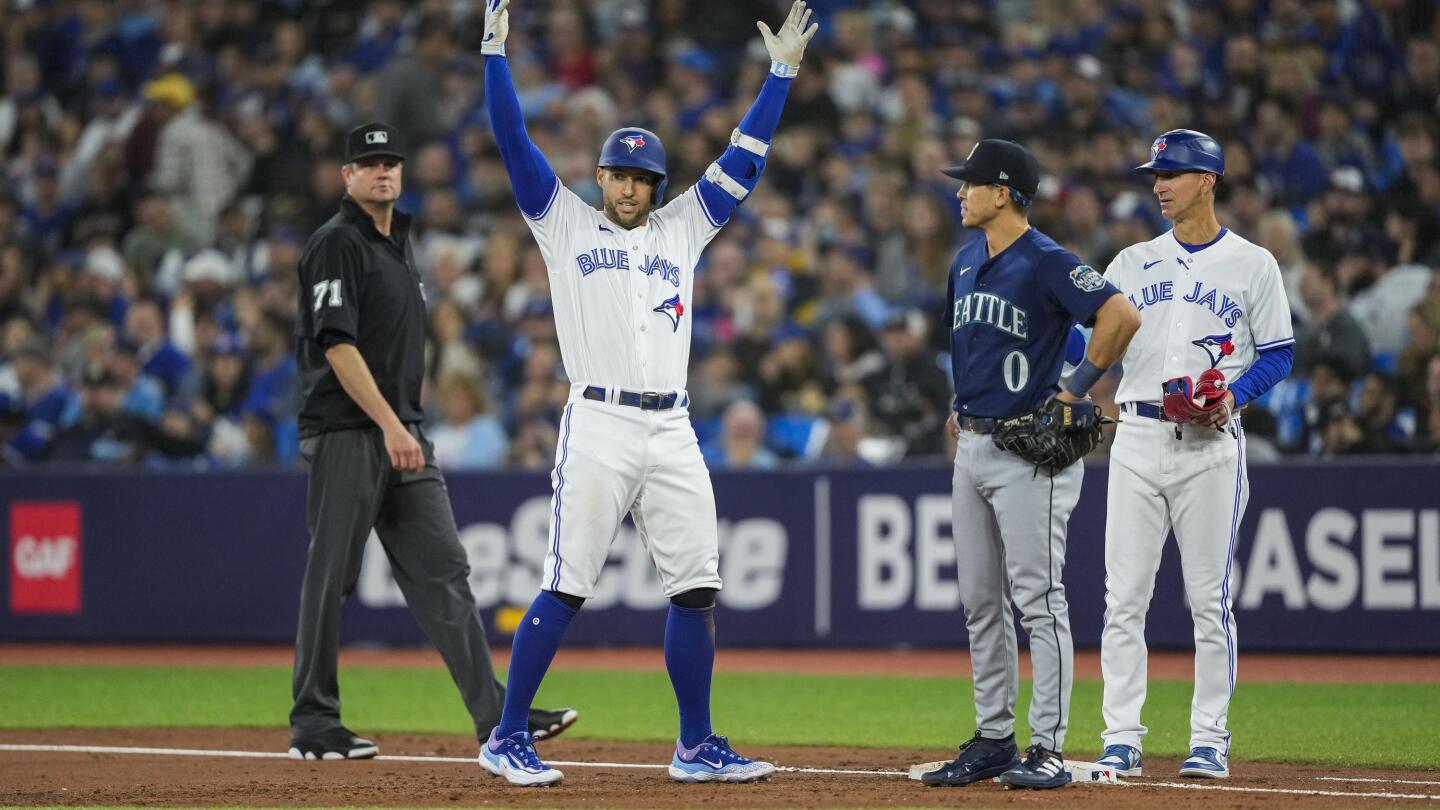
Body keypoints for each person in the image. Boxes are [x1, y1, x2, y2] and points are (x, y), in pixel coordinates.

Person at [477, 0, 817, 787]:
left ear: (657, 184)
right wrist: (496, 59)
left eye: (643, 178)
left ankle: (694, 746)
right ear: (599, 177)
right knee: (568, 582)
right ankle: (505, 736)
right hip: (597, 419)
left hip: (672, 429)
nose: (631, 187)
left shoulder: (681, 229)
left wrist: (781, 76)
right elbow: (513, 144)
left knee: (696, 587)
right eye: (620, 174)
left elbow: (745, 161)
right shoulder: (562, 222)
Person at [288, 121, 575, 762]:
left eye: (391, 161)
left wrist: (402, 427)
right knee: (330, 575)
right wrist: (391, 425)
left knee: (445, 573)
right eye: (368, 163)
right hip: (349, 433)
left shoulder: (397, 245)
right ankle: (313, 720)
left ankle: (498, 717)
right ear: (347, 176)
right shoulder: (336, 244)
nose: (382, 171)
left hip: (403, 434)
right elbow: (337, 344)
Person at [922, 139, 1140, 791]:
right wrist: (958, 406)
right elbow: (969, 345)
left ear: (1003, 192)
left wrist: (1074, 389)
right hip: (976, 445)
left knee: (1038, 601)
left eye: (971, 183)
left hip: (1029, 451)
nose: (960, 193)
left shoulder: (1046, 260)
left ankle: (1047, 745)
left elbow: (1120, 316)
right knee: (980, 602)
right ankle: (994, 738)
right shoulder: (964, 262)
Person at [1097, 129, 1294, 780]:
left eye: (1172, 173)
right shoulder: (1129, 262)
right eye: (1156, 173)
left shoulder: (1253, 263)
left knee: (1209, 600)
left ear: (1208, 180)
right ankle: (1121, 736)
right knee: (1123, 599)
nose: (1159, 183)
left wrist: (1234, 396)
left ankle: (1209, 738)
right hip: (1137, 436)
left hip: (1210, 445)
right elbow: (1089, 339)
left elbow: (1279, 353)